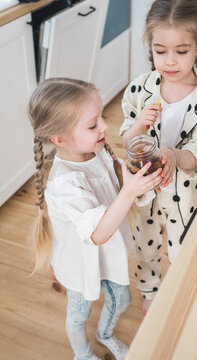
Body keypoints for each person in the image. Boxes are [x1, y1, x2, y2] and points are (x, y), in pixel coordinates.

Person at [28, 78, 162, 360]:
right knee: (78, 315)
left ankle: (104, 334)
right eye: (93, 124)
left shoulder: (95, 152)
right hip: (79, 262)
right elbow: (97, 234)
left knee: (121, 300)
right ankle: (83, 354)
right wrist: (130, 191)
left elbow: (116, 193)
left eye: (101, 116)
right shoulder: (65, 185)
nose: (104, 126)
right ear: (60, 139)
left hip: (108, 255)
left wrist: (138, 187)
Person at [120, 0, 197, 314]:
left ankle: (180, 289)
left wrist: (175, 157)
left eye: (181, 50)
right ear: (149, 46)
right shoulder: (139, 89)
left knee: (184, 246)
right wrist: (139, 125)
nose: (169, 61)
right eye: (160, 50)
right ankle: (150, 290)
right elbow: (126, 137)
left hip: (186, 193)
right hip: (144, 187)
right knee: (145, 244)